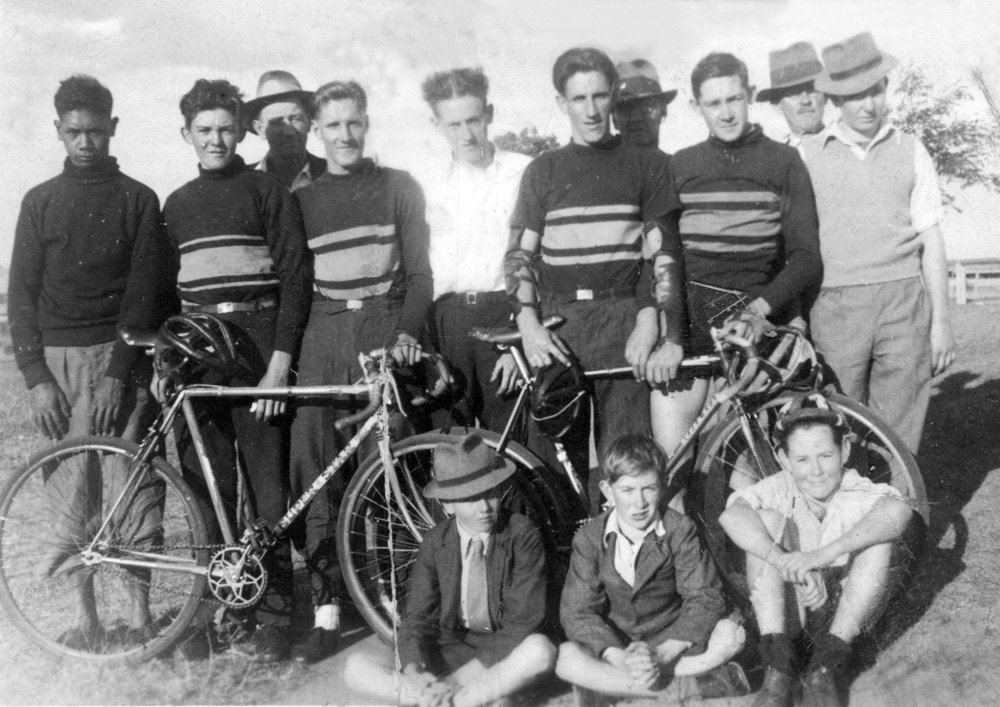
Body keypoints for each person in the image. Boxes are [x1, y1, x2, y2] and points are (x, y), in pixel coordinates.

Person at [7, 74, 175, 649]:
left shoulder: (138, 199)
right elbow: (20, 294)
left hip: (120, 361)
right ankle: (87, 622)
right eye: (74, 132)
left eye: (96, 132)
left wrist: (117, 374)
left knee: (133, 487)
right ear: (58, 131)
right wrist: (36, 380)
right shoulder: (39, 202)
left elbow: (145, 293)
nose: (85, 143)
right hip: (58, 365)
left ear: (113, 129)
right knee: (72, 492)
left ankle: (144, 617)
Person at [163, 78, 313, 662]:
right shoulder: (175, 203)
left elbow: (295, 278)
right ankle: (215, 609)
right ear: (187, 135)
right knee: (209, 490)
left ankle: (277, 613)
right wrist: (168, 356)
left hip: (258, 351)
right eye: (204, 131)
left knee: (266, 490)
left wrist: (278, 367)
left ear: (241, 129)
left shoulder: (266, 189)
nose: (216, 140)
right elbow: (164, 294)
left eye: (226, 128)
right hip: (202, 354)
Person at [289, 79, 433, 660]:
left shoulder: (399, 186)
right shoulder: (302, 198)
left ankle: (401, 602)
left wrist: (405, 334)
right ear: (316, 133)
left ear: (366, 123)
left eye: (353, 122)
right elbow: (297, 284)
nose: (345, 135)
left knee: (390, 461)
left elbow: (420, 274)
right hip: (323, 332)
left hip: (382, 324)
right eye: (333, 126)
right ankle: (327, 612)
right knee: (317, 463)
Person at [505, 47, 682, 507]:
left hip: (621, 319)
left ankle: (628, 571)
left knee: (625, 464)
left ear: (613, 97)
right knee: (550, 469)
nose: (590, 110)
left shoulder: (646, 164)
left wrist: (649, 320)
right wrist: (528, 323)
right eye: (578, 98)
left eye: (600, 96)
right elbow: (519, 256)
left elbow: (661, 257)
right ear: (561, 102)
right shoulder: (542, 171)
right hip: (558, 326)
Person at [647, 52, 822, 504]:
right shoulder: (680, 166)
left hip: (752, 331)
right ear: (696, 108)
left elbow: (805, 258)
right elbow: (666, 256)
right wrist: (671, 335)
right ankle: (686, 573)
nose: (725, 112)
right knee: (671, 473)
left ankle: (754, 572)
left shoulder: (783, 162)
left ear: (748, 97)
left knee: (752, 478)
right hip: (687, 329)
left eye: (734, 99)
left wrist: (759, 313)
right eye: (713, 103)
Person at [801, 32, 956, 454]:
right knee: (838, 427)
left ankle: (900, 516)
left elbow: (931, 236)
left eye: (874, 92)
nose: (867, 105)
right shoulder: (808, 155)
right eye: (854, 96)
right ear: (834, 100)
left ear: (886, 89)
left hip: (904, 302)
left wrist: (941, 322)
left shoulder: (911, 149)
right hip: (836, 306)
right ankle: (847, 519)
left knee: (900, 432)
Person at [718, 394, 913, 707]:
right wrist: (787, 561)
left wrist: (818, 557)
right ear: (783, 459)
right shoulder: (781, 485)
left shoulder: (853, 486)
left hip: (841, 617)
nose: (816, 470)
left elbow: (899, 511)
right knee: (763, 520)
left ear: (844, 451)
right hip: (791, 613)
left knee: (878, 536)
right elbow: (732, 516)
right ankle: (778, 667)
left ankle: (825, 668)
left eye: (825, 456)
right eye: (802, 460)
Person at [344, 433, 557, 707]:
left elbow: (522, 623)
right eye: (470, 499)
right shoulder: (436, 541)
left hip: (501, 651)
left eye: (490, 494)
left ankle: (449, 697)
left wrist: (454, 681)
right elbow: (417, 618)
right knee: (356, 667)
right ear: (447, 505)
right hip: (448, 650)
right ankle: (459, 698)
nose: (484, 508)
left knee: (540, 651)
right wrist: (417, 673)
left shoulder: (521, 535)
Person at [245, 69, 337, 664]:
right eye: (272, 119)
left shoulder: (334, 177)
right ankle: (278, 607)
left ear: (310, 120)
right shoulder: (245, 186)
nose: (284, 128)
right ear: (255, 125)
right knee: (269, 482)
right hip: (269, 350)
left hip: (326, 338)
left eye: (295, 117)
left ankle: (338, 596)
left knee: (325, 473)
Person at [556, 434, 748, 703]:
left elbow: (705, 596)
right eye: (627, 490)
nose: (639, 503)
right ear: (608, 490)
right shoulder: (589, 538)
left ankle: (616, 688)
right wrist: (619, 657)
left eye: (649, 488)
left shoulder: (680, 529)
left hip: (671, 645)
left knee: (731, 635)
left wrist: (663, 654)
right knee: (566, 657)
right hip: (620, 646)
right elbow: (577, 610)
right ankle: (680, 687)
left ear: (664, 485)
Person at [419, 67, 526, 432]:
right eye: (453, 125)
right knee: (451, 445)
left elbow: (537, 262)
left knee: (511, 446)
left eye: (473, 121)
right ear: (436, 124)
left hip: (505, 315)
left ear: (490, 114)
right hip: (448, 322)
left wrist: (519, 341)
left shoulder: (522, 173)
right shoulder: (426, 183)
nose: (465, 135)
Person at [245, 70, 327, 191]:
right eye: (277, 122)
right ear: (260, 129)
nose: (289, 132)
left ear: (308, 122)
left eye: (296, 119)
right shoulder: (244, 182)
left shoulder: (333, 175)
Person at [756, 42, 827, 148]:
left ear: (826, 97)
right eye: (794, 94)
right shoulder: (774, 159)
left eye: (812, 91)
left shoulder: (852, 145)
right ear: (776, 106)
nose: (805, 100)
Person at [612, 58, 678, 150]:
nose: (636, 118)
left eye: (646, 105)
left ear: (663, 110)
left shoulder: (677, 164)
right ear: (614, 119)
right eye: (626, 108)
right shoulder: (599, 164)